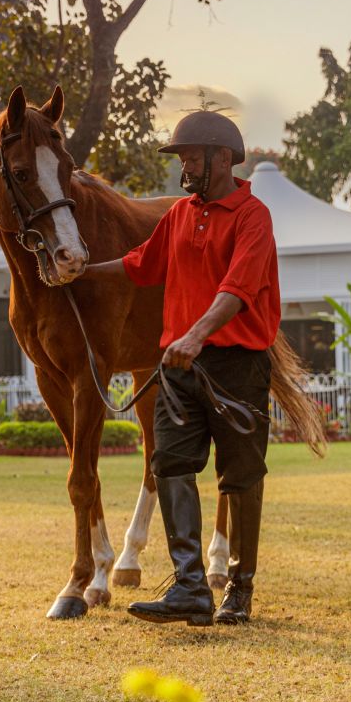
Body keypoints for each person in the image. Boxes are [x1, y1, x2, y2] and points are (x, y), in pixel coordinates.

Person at [81, 111, 280, 626]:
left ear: (221, 159)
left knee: (240, 476)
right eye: (184, 157)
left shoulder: (252, 216)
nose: (185, 165)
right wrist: (81, 275)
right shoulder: (180, 214)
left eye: (192, 157)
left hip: (235, 363)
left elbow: (237, 289)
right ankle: (190, 587)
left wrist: (196, 334)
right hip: (178, 365)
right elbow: (141, 263)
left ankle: (240, 589)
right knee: (168, 464)